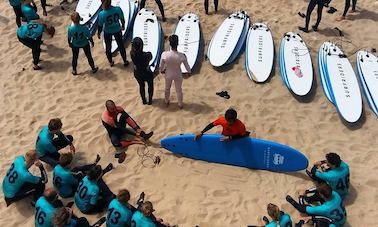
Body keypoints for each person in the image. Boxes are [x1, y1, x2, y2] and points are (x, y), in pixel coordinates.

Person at [159, 35, 191, 109]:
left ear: (170, 44)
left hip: (168, 73)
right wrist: (189, 72)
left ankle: (166, 101)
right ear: (178, 43)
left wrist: (161, 70)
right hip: (178, 73)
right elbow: (187, 66)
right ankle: (180, 104)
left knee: (167, 88)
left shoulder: (164, 54)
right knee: (179, 90)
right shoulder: (182, 56)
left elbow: (161, 66)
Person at [97, 0, 129, 67]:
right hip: (117, 30)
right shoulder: (117, 9)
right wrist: (123, 26)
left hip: (108, 32)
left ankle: (111, 62)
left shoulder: (101, 14)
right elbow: (122, 19)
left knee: (108, 47)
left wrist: (99, 33)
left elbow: (100, 26)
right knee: (121, 46)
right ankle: (125, 61)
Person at [131, 37, 154, 105]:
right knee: (150, 86)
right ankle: (150, 101)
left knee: (141, 86)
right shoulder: (147, 55)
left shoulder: (132, 54)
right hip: (147, 73)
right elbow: (151, 57)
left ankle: (144, 100)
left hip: (138, 73)